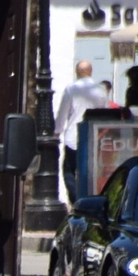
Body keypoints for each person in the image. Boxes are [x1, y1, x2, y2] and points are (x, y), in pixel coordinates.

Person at [56, 60, 108, 201]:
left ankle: (75, 200)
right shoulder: (100, 90)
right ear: (91, 71)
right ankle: (90, 199)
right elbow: (104, 114)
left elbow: (63, 113)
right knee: (90, 172)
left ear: (77, 72)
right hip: (94, 136)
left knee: (69, 171)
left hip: (73, 137)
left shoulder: (71, 89)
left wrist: (57, 131)